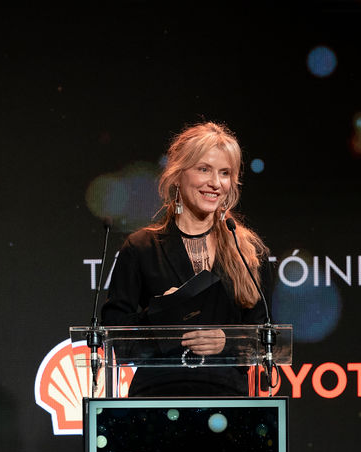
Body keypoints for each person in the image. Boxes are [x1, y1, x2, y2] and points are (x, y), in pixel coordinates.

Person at [100, 121, 271, 397]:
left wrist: (226, 342)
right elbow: (116, 341)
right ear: (178, 175)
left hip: (227, 401)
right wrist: (160, 315)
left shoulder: (248, 251)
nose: (215, 183)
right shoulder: (141, 247)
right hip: (158, 398)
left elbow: (265, 339)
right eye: (204, 169)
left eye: (225, 173)